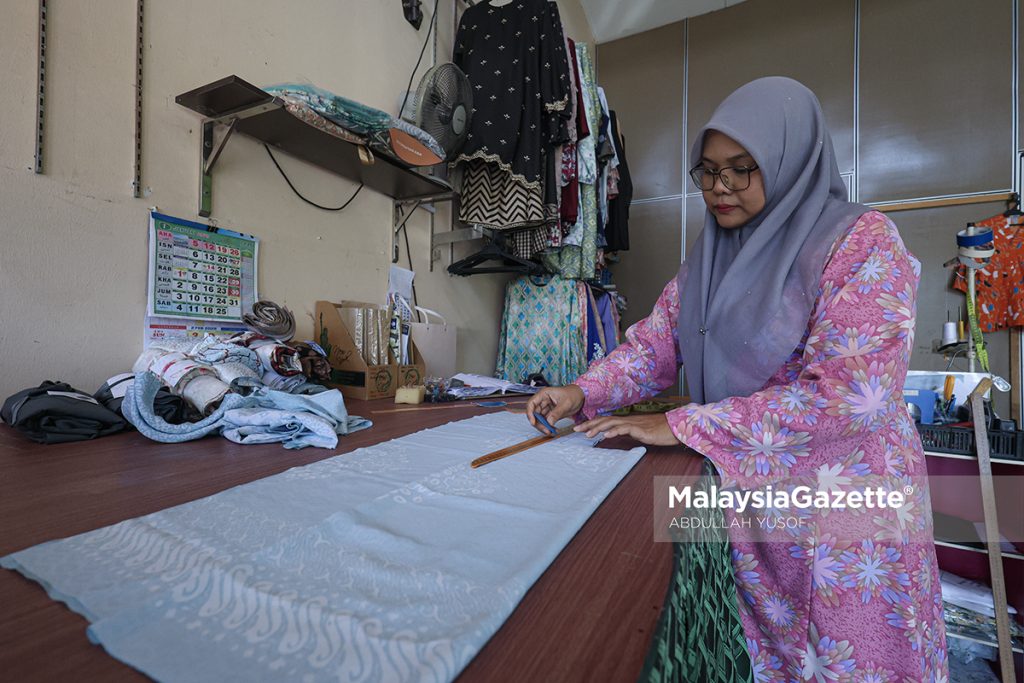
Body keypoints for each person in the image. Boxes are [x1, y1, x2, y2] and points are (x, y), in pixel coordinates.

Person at [526, 77, 947, 682]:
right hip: (754, 494)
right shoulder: (712, 256)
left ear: (789, 161)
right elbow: (656, 343)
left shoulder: (860, 243)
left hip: (846, 520)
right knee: (767, 655)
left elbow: (853, 397)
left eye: (741, 170)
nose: (719, 188)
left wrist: (680, 423)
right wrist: (582, 391)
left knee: (851, 658)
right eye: (708, 171)